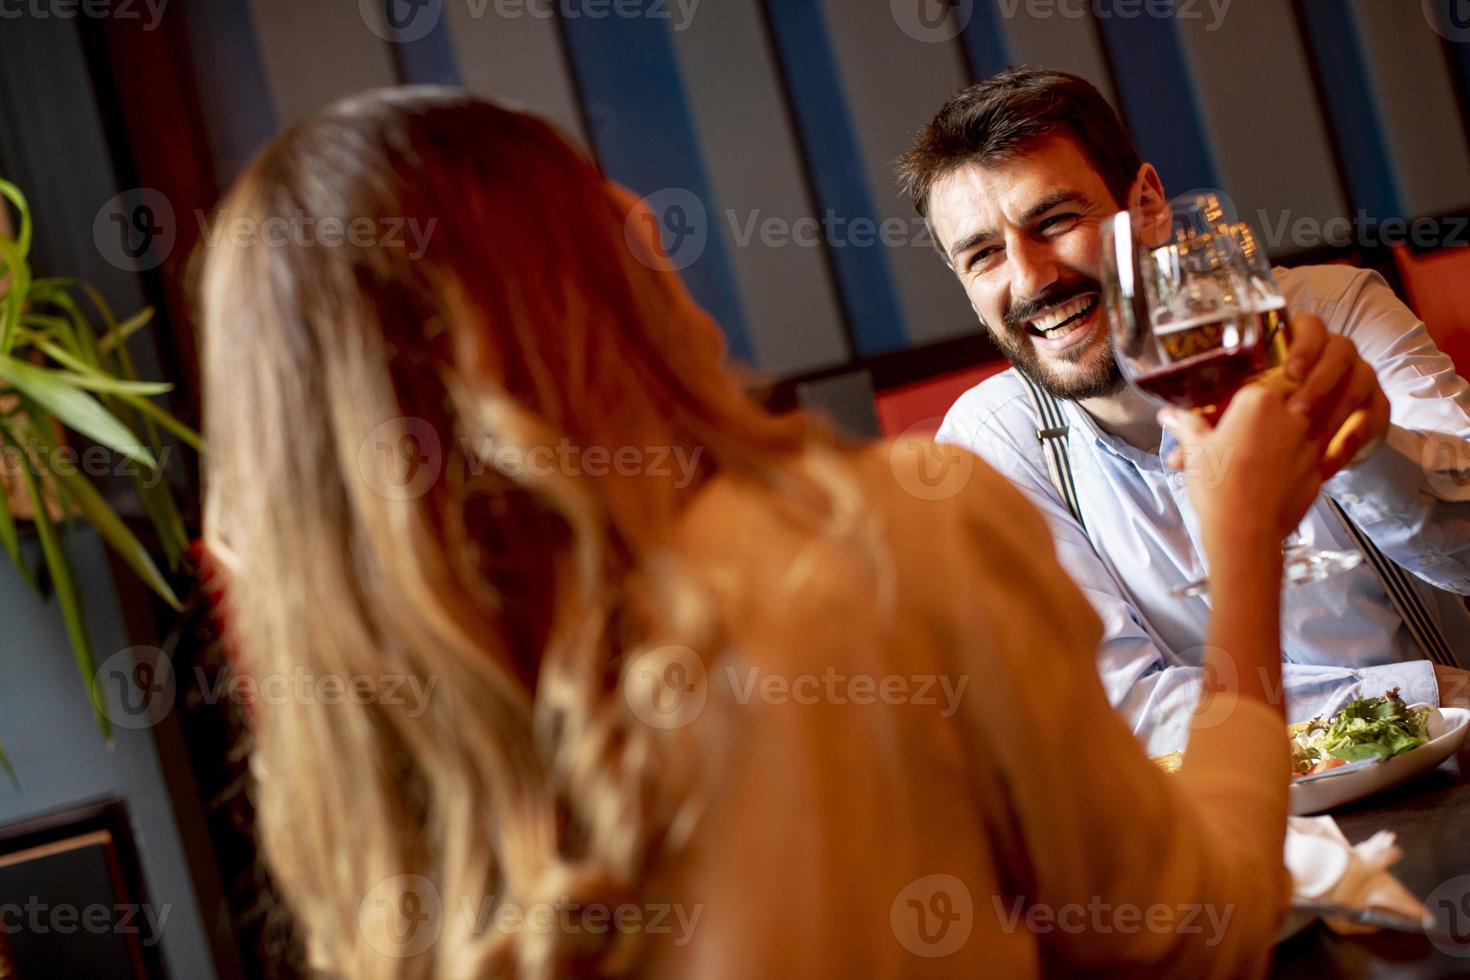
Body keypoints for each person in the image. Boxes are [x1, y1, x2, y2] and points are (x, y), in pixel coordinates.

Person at [200, 87, 1366, 978]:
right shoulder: (899, 528)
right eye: (593, 204)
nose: (642, 215)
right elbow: (1192, 931)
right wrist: (1244, 544)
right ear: (576, 282)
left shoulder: (351, 755)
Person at [898, 67, 1470, 756]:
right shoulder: (989, 446)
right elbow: (1123, 709)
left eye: (1054, 221)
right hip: (1253, 833)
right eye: (984, 255)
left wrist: (1371, 449)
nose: (1031, 278)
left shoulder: (1333, 314)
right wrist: (1430, 696)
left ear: (1147, 207)